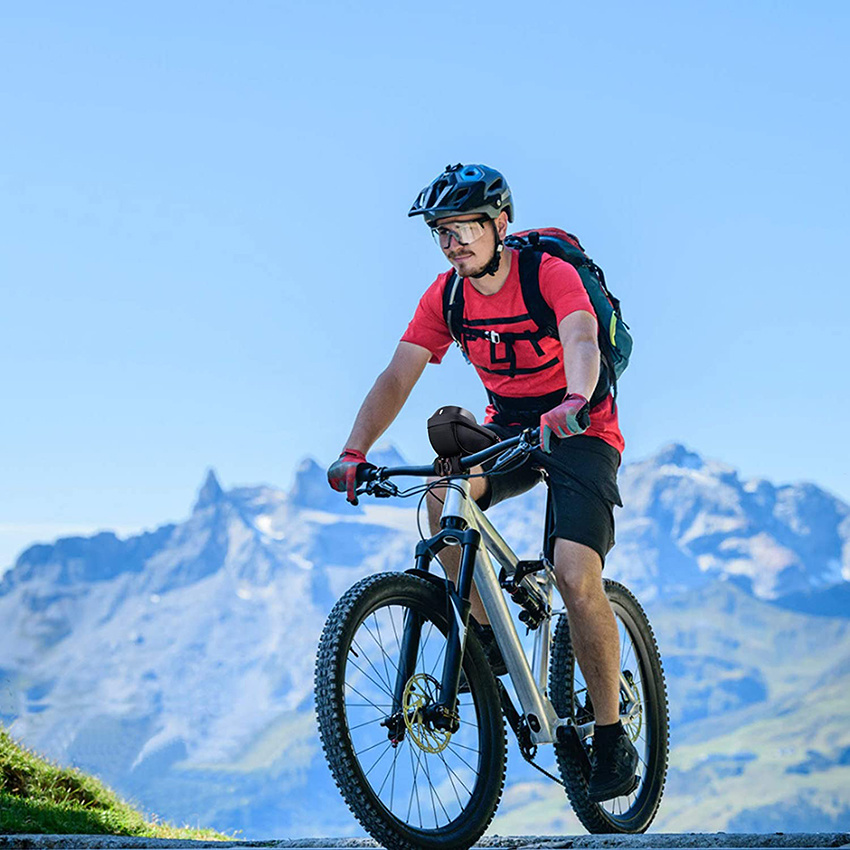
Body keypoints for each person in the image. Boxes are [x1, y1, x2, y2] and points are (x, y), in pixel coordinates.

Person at [326, 163, 637, 802]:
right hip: (510, 426)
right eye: (441, 231)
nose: (453, 241)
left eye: (465, 226)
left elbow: (580, 333)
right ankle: (488, 633)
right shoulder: (446, 296)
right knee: (443, 498)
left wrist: (575, 398)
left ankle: (611, 736)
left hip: (581, 426)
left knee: (575, 574)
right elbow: (397, 376)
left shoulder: (546, 272)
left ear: (499, 224)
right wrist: (354, 449)